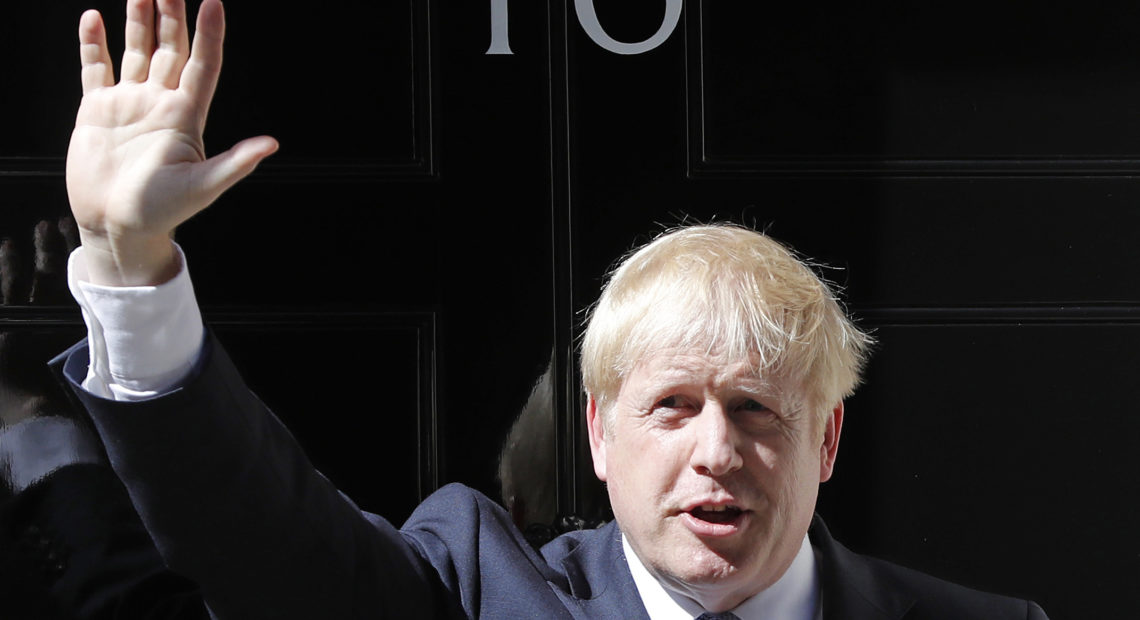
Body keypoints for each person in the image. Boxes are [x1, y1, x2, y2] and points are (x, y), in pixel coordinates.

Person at [57, 0, 1049, 618]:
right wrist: (129, 260)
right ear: (598, 434)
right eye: (671, 405)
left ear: (826, 438)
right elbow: (259, 538)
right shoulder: (475, 587)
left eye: (757, 409)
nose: (716, 450)